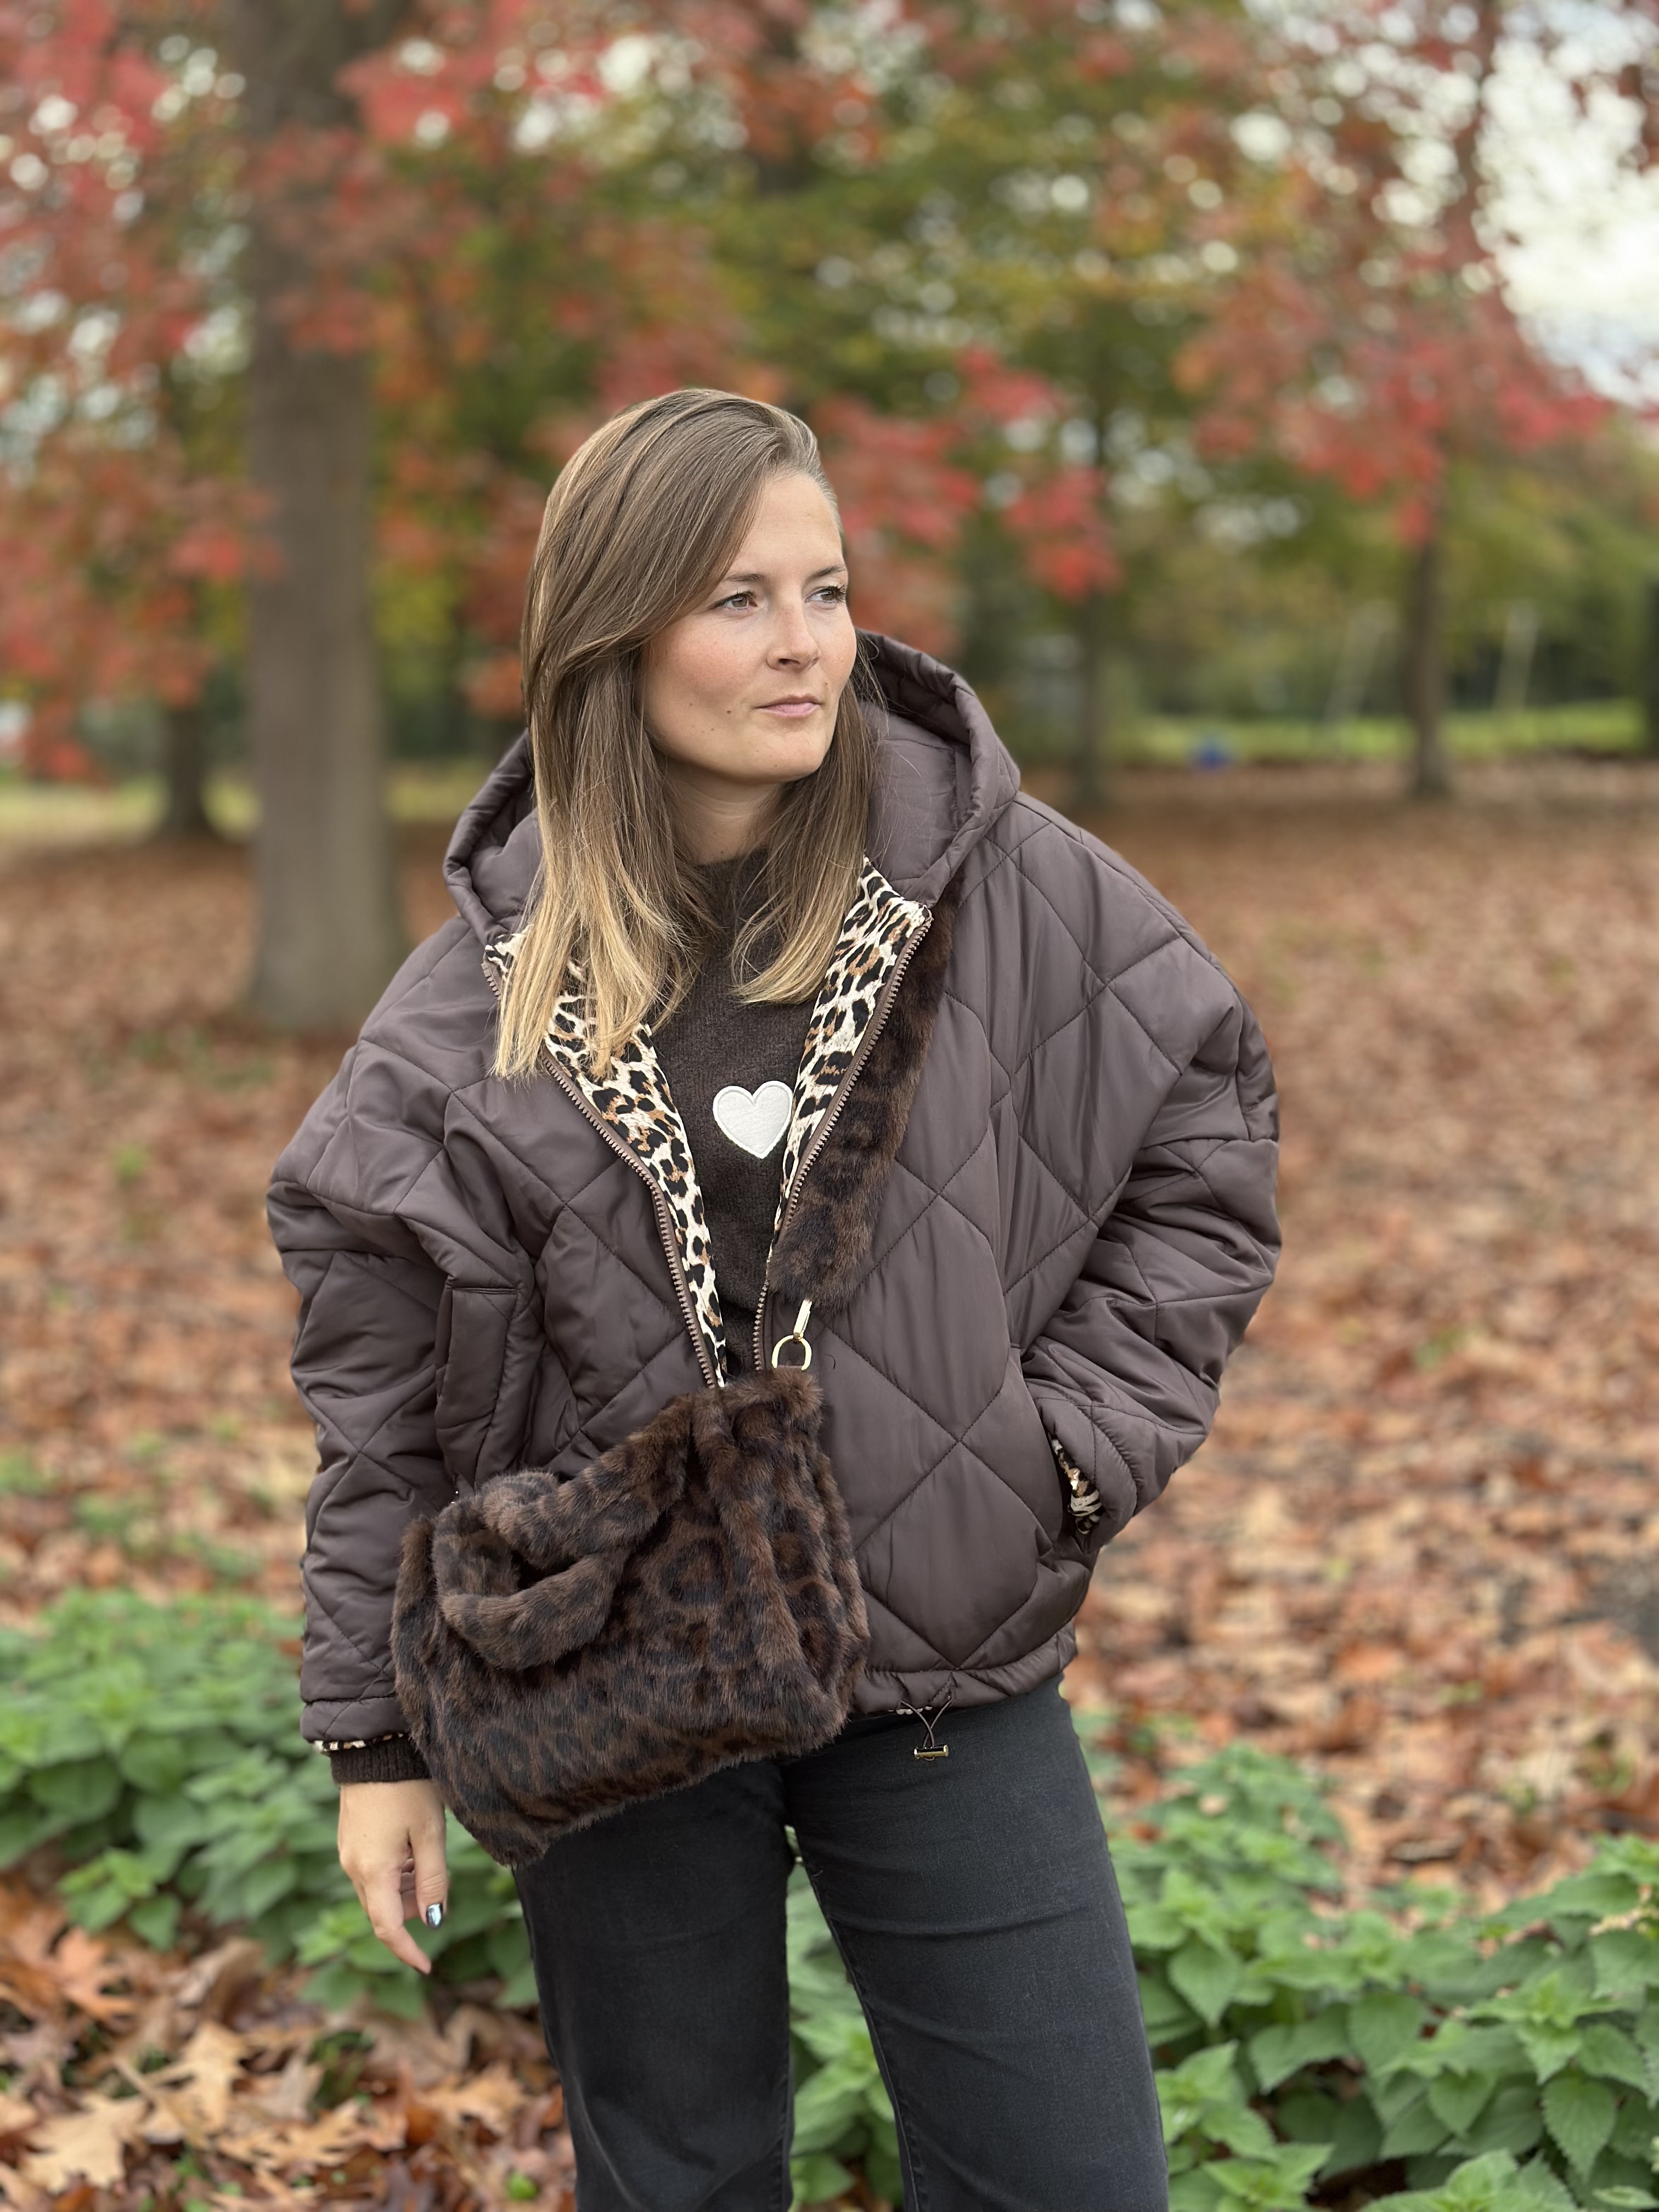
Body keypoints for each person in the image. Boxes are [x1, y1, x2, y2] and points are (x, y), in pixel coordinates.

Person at [268, 387, 1280, 2212]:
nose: (806, 641)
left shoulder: (1008, 887)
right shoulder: (473, 1004)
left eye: (823, 587)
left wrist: (1055, 1457)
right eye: (740, 599)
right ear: (614, 632)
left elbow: (1204, 1147)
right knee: (678, 2181)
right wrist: (375, 1737)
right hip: (612, 1662)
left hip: (943, 1645)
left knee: (1072, 2178)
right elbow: (380, 1402)